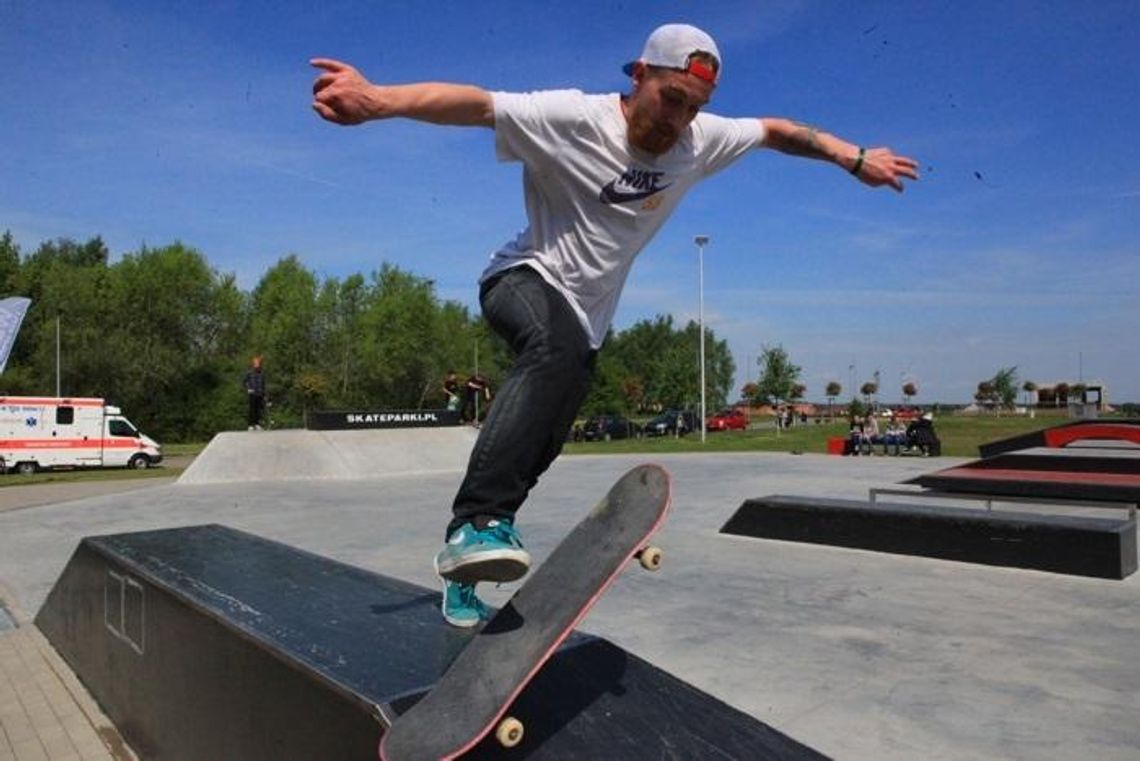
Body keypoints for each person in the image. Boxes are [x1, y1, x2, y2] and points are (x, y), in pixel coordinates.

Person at [312, 23, 919, 627]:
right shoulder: (573, 117)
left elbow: (775, 132)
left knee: (548, 431)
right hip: (521, 278)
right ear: (639, 76)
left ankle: (467, 559)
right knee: (553, 347)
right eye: (670, 99)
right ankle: (476, 522)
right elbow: (477, 104)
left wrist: (852, 156)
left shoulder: (701, 139)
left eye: (693, 107)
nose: (677, 120)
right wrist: (379, 100)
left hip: (585, 316)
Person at [242, 356, 266, 431]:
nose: (257, 367)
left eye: (258, 365)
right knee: (252, 409)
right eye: (256, 365)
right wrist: (248, 388)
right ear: (253, 365)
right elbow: (244, 382)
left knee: (258, 409)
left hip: (260, 393)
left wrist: (264, 393)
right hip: (252, 393)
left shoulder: (261, 374)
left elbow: (263, 384)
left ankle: (257, 424)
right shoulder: (249, 373)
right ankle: (250, 424)